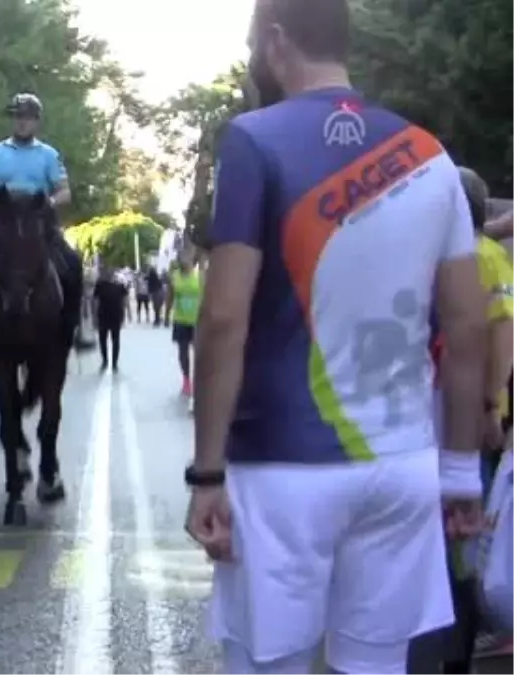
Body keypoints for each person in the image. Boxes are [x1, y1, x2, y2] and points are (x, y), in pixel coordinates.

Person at [186, 1, 488, 673]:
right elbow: (468, 326)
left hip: (282, 467)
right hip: (402, 465)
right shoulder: (428, 154)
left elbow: (224, 316)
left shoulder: (253, 140)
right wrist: (462, 473)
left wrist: (207, 472)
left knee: (271, 663)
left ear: (276, 41)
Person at [435, 168, 514, 672]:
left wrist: (490, 404)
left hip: (472, 418)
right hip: (452, 413)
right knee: (459, 534)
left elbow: (503, 335)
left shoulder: (481, 257)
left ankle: (459, 648)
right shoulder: (472, 254)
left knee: (468, 537)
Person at [0, 92, 85, 351]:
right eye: (17, 117)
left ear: (36, 121)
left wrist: (46, 205)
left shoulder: (49, 154)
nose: (21, 122)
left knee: (72, 264)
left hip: (38, 222)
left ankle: (71, 328)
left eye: (27, 118)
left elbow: (65, 191)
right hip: (3, 222)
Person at [166, 252, 202, 397]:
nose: (184, 261)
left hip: (197, 320)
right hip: (180, 320)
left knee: (199, 352)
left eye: (186, 258)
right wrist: (166, 314)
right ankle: (186, 380)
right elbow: (170, 296)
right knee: (183, 352)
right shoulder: (174, 277)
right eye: (181, 258)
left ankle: (200, 380)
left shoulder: (199, 275)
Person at [92, 265, 128, 372]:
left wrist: (125, 314)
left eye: (110, 272)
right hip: (103, 315)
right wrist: (94, 316)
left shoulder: (120, 286)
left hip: (115, 316)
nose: (108, 274)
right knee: (103, 340)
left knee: (115, 340)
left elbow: (124, 301)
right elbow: (95, 301)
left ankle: (114, 363)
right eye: (107, 272)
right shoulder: (100, 285)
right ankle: (105, 361)